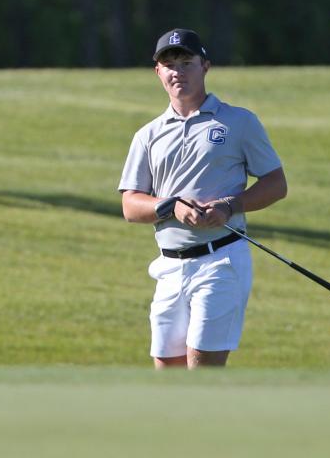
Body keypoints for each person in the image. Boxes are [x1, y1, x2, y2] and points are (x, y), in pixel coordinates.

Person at [118, 28, 287, 369]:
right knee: (169, 371)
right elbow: (130, 205)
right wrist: (171, 207)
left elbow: (275, 183)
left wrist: (230, 206)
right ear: (158, 72)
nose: (177, 71)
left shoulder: (238, 121)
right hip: (169, 265)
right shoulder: (148, 135)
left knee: (202, 371)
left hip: (221, 259)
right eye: (169, 64)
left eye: (186, 62)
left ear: (205, 66)